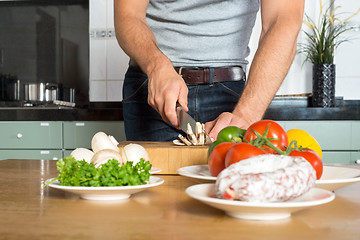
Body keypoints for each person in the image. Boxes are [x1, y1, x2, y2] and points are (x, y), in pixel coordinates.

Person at [114, 0, 305, 141]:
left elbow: (282, 20)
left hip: (231, 95)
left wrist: (246, 114)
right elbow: (128, 15)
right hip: (155, 87)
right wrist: (156, 65)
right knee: (156, 192)